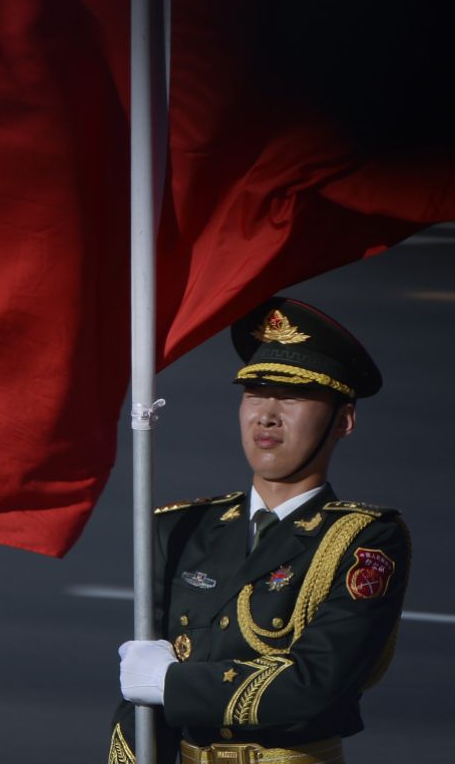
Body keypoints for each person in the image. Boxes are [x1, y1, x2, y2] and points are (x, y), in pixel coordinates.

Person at [111, 297, 410, 764]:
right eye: (254, 392)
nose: (266, 415)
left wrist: (172, 684)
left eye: (291, 396)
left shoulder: (363, 540)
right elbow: (140, 699)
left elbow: (318, 682)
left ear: (343, 421)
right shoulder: (180, 528)